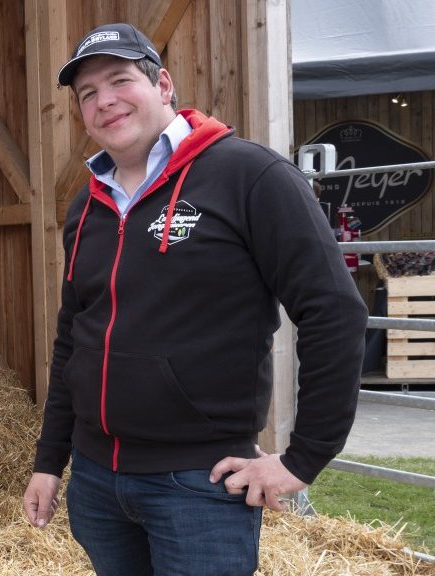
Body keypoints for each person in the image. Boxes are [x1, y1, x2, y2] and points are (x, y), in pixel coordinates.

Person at [21, 22, 367, 576]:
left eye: (119, 80)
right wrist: (49, 462)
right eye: (87, 93)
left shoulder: (250, 175)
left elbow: (334, 311)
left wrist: (304, 458)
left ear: (162, 84)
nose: (104, 101)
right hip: (95, 481)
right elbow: (74, 337)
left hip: (197, 485)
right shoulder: (86, 205)